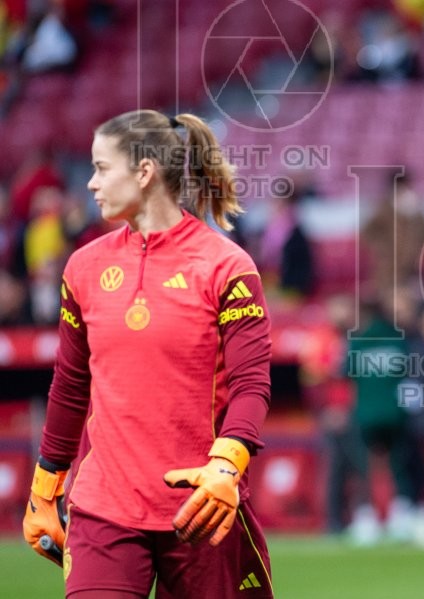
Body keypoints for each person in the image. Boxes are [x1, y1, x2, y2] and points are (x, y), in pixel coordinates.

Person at [22, 109, 274, 598]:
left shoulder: (227, 266)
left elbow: (250, 384)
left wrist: (227, 465)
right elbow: (71, 385)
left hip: (203, 506)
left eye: (101, 168)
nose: (91, 184)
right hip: (103, 508)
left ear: (144, 171)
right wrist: (45, 486)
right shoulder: (83, 267)